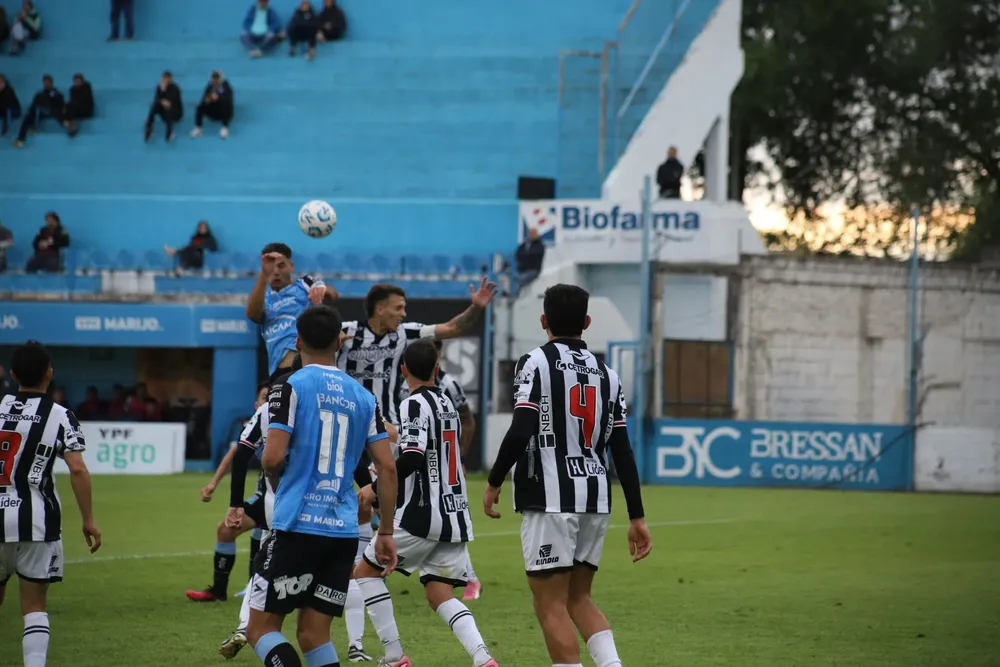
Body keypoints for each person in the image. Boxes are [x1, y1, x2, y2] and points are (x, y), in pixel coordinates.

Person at [483, 284, 653, 667]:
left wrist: (494, 480)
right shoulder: (609, 376)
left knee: (550, 604)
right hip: (595, 496)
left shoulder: (534, 362)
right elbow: (622, 451)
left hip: (550, 499)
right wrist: (637, 516)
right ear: (587, 322)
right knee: (579, 598)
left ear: (543, 321)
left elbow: (523, 427)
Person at [246, 305, 399, 667]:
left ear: (297, 340)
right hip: (342, 532)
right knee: (315, 635)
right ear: (339, 341)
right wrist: (387, 532)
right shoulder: (363, 396)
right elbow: (387, 467)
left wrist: (275, 481)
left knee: (260, 629)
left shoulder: (289, 386)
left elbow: (271, 458)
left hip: (298, 526)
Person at [355, 340, 499, 667]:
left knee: (364, 572)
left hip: (423, 514)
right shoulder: (447, 402)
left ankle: (394, 657)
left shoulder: (414, 404)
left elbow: (413, 459)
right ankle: (483, 658)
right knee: (439, 593)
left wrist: (375, 488)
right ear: (436, 369)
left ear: (403, 370)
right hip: (455, 515)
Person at [0, 341, 102, 667]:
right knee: (34, 606)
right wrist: (88, 519)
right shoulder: (60, 415)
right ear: (50, 374)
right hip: (37, 522)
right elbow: (77, 468)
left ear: (13, 373)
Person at [338, 278, 498, 428]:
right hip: (348, 424)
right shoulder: (344, 330)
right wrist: (331, 339)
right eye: (398, 308)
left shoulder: (406, 332)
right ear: (379, 309)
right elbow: (314, 338)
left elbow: (452, 328)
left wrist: (476, 307)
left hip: (388, 427)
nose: (404, 314)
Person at [245, 242, 338, 377]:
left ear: (291, 266)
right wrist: (263, 276)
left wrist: (322, 289)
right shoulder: (262, 297)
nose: (276, 272)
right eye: (271, 266)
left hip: (305, 367)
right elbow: (252, 314)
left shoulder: (304, 283)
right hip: (278, 372)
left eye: (281, 265)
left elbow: (332, 293)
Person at [13, 75, 66, 148]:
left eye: (48, 83)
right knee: (28, 116)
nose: (46, 84)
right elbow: (34, 104)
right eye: (45, 83)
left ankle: (32, 128)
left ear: (51, 83)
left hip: (50, 111)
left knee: (35, 111)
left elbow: (59, 104)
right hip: (39, 111)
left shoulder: (56, 93)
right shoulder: (40, 94)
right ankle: (21, 138)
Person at [191, 71, 234, 139]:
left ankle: (224, 128)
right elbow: (204, 98)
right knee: (200, 106)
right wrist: (209, 99)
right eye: (214, 78)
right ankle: (198, 128)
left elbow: (228, 98)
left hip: (224, 112)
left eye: (217, 78)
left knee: (225, 103)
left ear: (220, 78)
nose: (215, 80)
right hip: (213, 111)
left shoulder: (226, 86)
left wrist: (218, 97)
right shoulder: (209, 86)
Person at [144, 71, 183, 143]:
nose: (165, 80)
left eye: (167, 79)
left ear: (171, 79)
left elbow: (170, 102)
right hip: (164, 112)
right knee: (154, 106)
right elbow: (157, 100)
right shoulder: (159, 87)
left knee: (168, 108)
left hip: (175, 113)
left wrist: (163, 92)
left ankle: (169, 133)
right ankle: (149, 129)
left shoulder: (175, 88)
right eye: (164, 79)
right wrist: (162, 92)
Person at [514, 226, 545, 293]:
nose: (531, 235)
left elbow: (534, 256)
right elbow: (517, 254)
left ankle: (515, 297)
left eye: (533, 233)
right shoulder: (524, 244)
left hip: (533, 270)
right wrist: (526, 255)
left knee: (521, 280)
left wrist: (525, 256)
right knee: (513, 279)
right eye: (530, 233)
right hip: (521, 270)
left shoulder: (539, 246)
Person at [63, 74, 95, 138]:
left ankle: (73, 125)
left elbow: (87, 100)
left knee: (72, 105)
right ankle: (68, 122)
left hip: (86, 109)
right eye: (75, 81)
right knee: (67, 106)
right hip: (76, 109)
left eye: (78, 81)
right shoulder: (72, 90)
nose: (77, 82)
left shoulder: (86, 88)